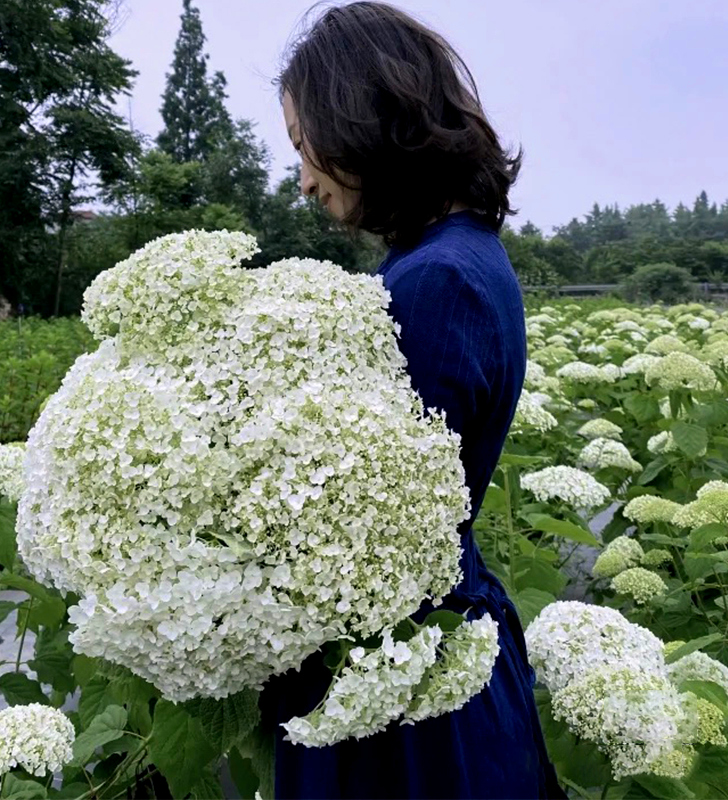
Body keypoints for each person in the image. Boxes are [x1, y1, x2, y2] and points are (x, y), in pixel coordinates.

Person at [258, 3, 567, 799]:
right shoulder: (455, 256)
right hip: (422, 664)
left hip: (408, 701)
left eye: (304, 145)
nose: (303, 179)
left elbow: (377, 534)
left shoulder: (435, 282)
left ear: (359, 117)